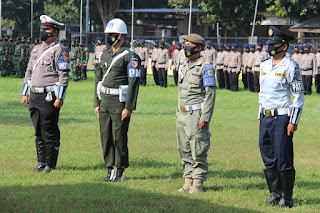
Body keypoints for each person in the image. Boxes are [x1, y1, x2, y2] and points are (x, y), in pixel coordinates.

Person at [259, 26, 304, 208]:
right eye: (269, 44)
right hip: (265, 117)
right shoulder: (264, 64)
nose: (270, 47)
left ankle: (287, 197)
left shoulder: (291, 66)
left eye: (274, 44)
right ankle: (274, 194)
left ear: (284, 46)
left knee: (283, 157)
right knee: (268, 155)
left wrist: (293, 121)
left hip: (282, 118)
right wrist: (260, 115)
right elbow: (262, 93)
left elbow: (298, 96)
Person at [21, 15, 69, 173]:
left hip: (49, 97)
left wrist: (60, 97)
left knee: (49, 129)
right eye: (42, 29)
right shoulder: (35, 49)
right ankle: (41, 162)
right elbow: (29, 71)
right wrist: (25, 93)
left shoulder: (59, 50)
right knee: (38, 130)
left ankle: (50, 163)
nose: (43, 32)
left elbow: (63, 75)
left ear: (55, 32)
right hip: (34, 95)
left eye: (46, 29)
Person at [94, 18, 140, 182]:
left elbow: (134, 83)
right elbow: (98, 80)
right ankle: (109, 167)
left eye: (113, 35)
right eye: (109, 34)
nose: (110, 37)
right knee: (105, 137)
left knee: (119, 137)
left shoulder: (130, 56)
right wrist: (97, 103)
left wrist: (129, 107)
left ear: (121, 35)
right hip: (105, 100)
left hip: (119, 103)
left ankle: (120, 169)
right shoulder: (104, 55)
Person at [177, 33, 216, 194]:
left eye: (189, 44)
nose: (186, 46)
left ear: (199, 47)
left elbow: (210, 94)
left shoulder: (206, 67)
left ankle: (198, 183)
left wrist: (205, 117)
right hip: (182, 113)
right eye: (184, 44)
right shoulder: (184, 65)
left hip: (196, 114)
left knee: (197, 148)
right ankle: (188, 180)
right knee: (184, 148)